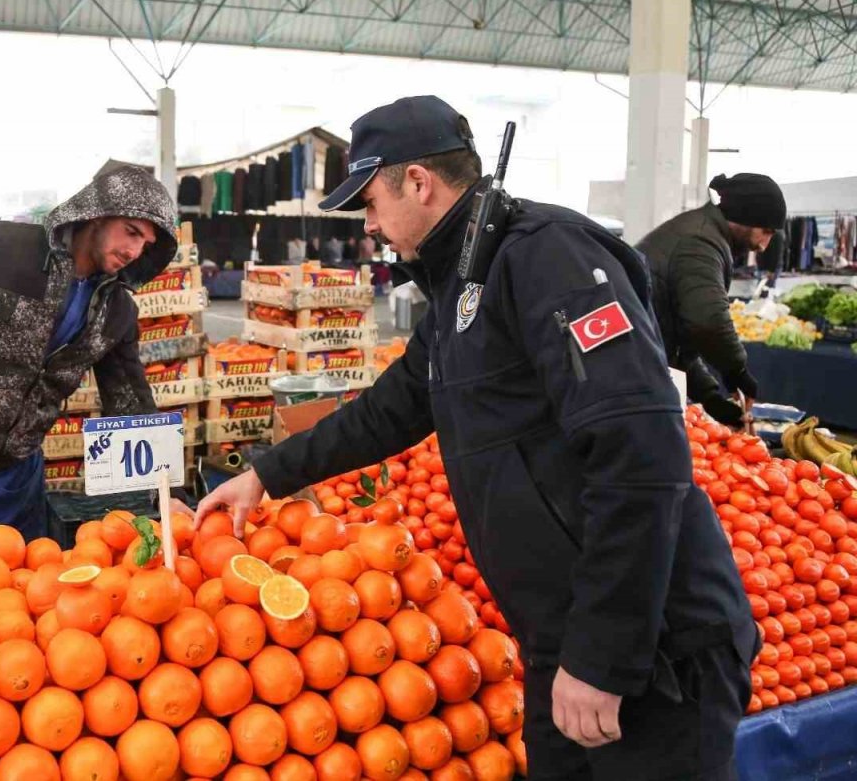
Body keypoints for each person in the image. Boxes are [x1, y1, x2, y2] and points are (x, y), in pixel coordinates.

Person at [196, 96, 758, 781]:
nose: (368, 226)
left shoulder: (546, 258)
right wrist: (266, 475)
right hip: (564, 636)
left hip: (653, 647)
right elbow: (388, 411)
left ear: (419, 183)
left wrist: (601, 655)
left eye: (370, 202)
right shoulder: (466, 283)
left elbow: (640, 459)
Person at [0, 165, 179, 554]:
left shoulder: (116, 311)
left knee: (21, 600)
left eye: (146, 244)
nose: (135, 251)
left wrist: (163, 493)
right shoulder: (0, 247)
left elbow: (130, 403)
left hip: (19, 479)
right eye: (131, 232)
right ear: (96, 214)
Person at [636, 173, 786, 429]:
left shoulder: (702, 232)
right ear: (744, 217)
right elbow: (707, 323)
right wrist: (736, 371)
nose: (764, 246)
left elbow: (677, 338)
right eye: (766, 232)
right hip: (633, 370)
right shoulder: (700, 243)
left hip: (640, 359)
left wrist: (710, 397)